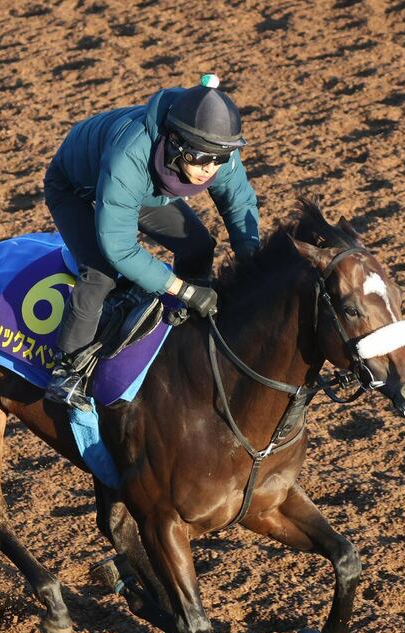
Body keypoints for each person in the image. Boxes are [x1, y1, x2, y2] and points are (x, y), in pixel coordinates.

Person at [43, 73, 260, 411]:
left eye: (218, 159)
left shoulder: (219, 154)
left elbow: (239, 202)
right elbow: (120, 248)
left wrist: (251, 259)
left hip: (141, 191)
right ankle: (67, 369)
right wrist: (185, 290)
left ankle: (187, 322)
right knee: (100, 272)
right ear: (174, 143)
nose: (209, 169)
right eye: (201, 158)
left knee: (199, 246)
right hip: (76, 188)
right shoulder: (129, 155)